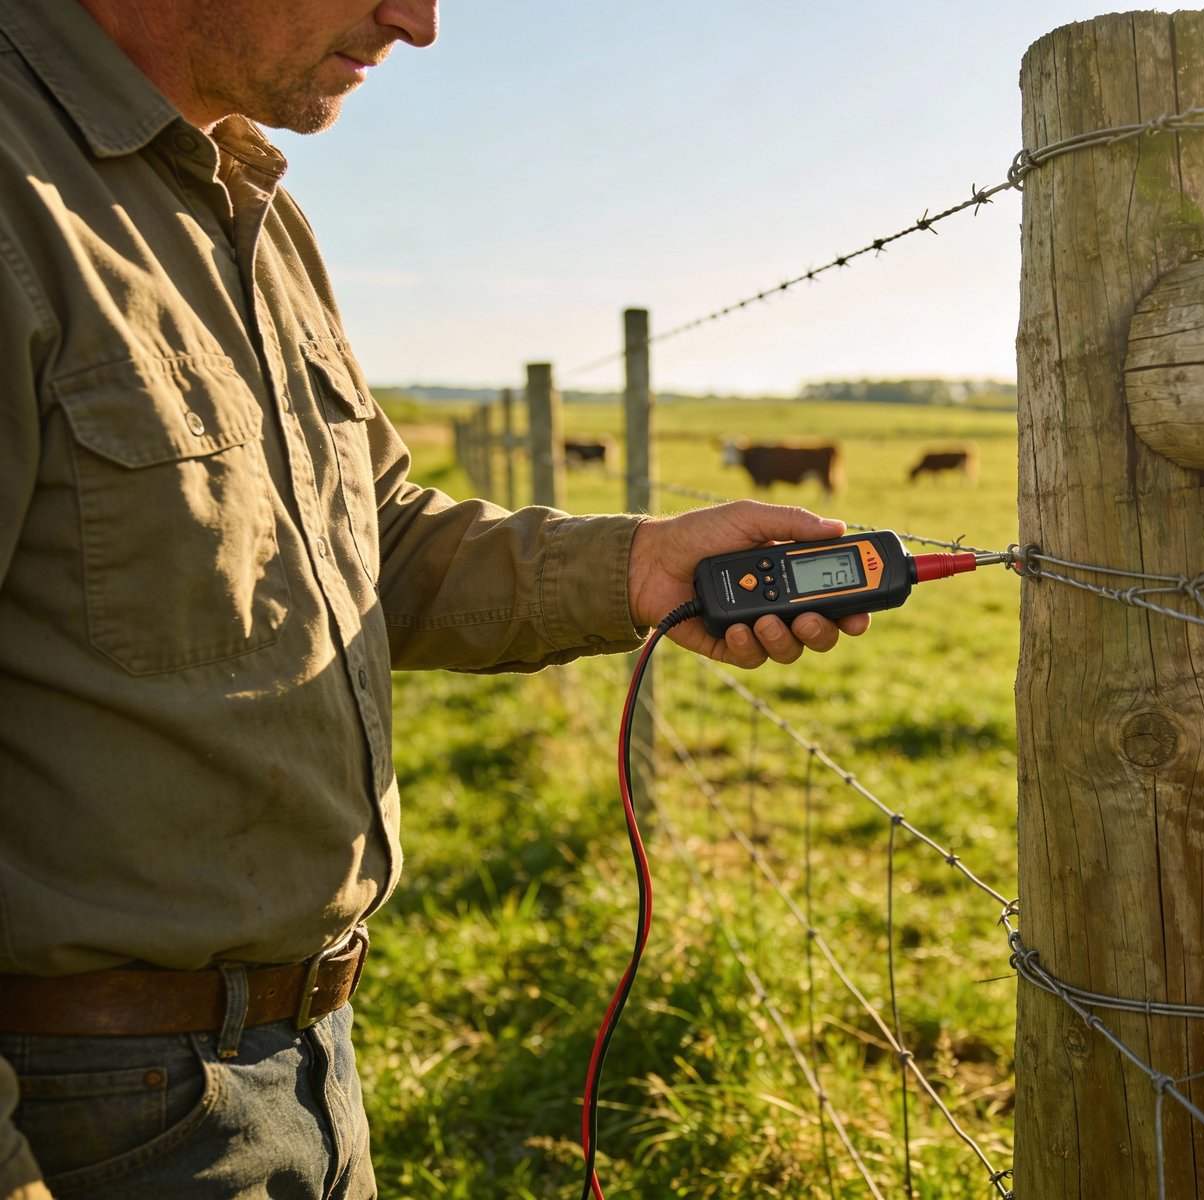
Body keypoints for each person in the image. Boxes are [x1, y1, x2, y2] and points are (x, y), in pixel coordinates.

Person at [0, 2, 870, 1196]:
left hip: (296, 1056)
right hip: (76, 1106)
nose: (418, 22)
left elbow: (374, 540)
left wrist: (641, 567)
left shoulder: (250, 205)